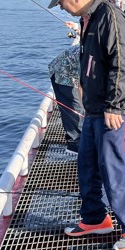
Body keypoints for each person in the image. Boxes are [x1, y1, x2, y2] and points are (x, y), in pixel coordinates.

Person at [48, 0, 125, 250]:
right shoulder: (88, 17)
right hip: (94, 107)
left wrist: (115, 105)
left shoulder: (109, 15)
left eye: (61, 1)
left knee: (113, 168)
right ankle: (95, 218)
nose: (60, 6)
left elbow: (123, 63)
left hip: (113, 109)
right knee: (88, 165)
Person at [48, 21, 83, 153]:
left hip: (72, 70)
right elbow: (81, 85)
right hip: (61, 73)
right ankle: (74, 145)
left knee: (79, 108)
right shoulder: (88, 57)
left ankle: (81, 139)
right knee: (75, 109)